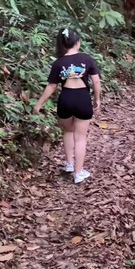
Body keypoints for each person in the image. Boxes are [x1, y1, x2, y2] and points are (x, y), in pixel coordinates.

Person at [33, 28, 101, 183]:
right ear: (78, 42)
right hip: (82, 98)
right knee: (81, 137)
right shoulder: (87, 59)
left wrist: (38, 105)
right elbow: (96, 81)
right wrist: (97, 99)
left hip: (65, 99)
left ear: (63, 44)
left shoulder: (59, 63)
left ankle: (70, 164)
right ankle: (78, 173)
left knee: (68, 131)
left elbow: (51, 86)